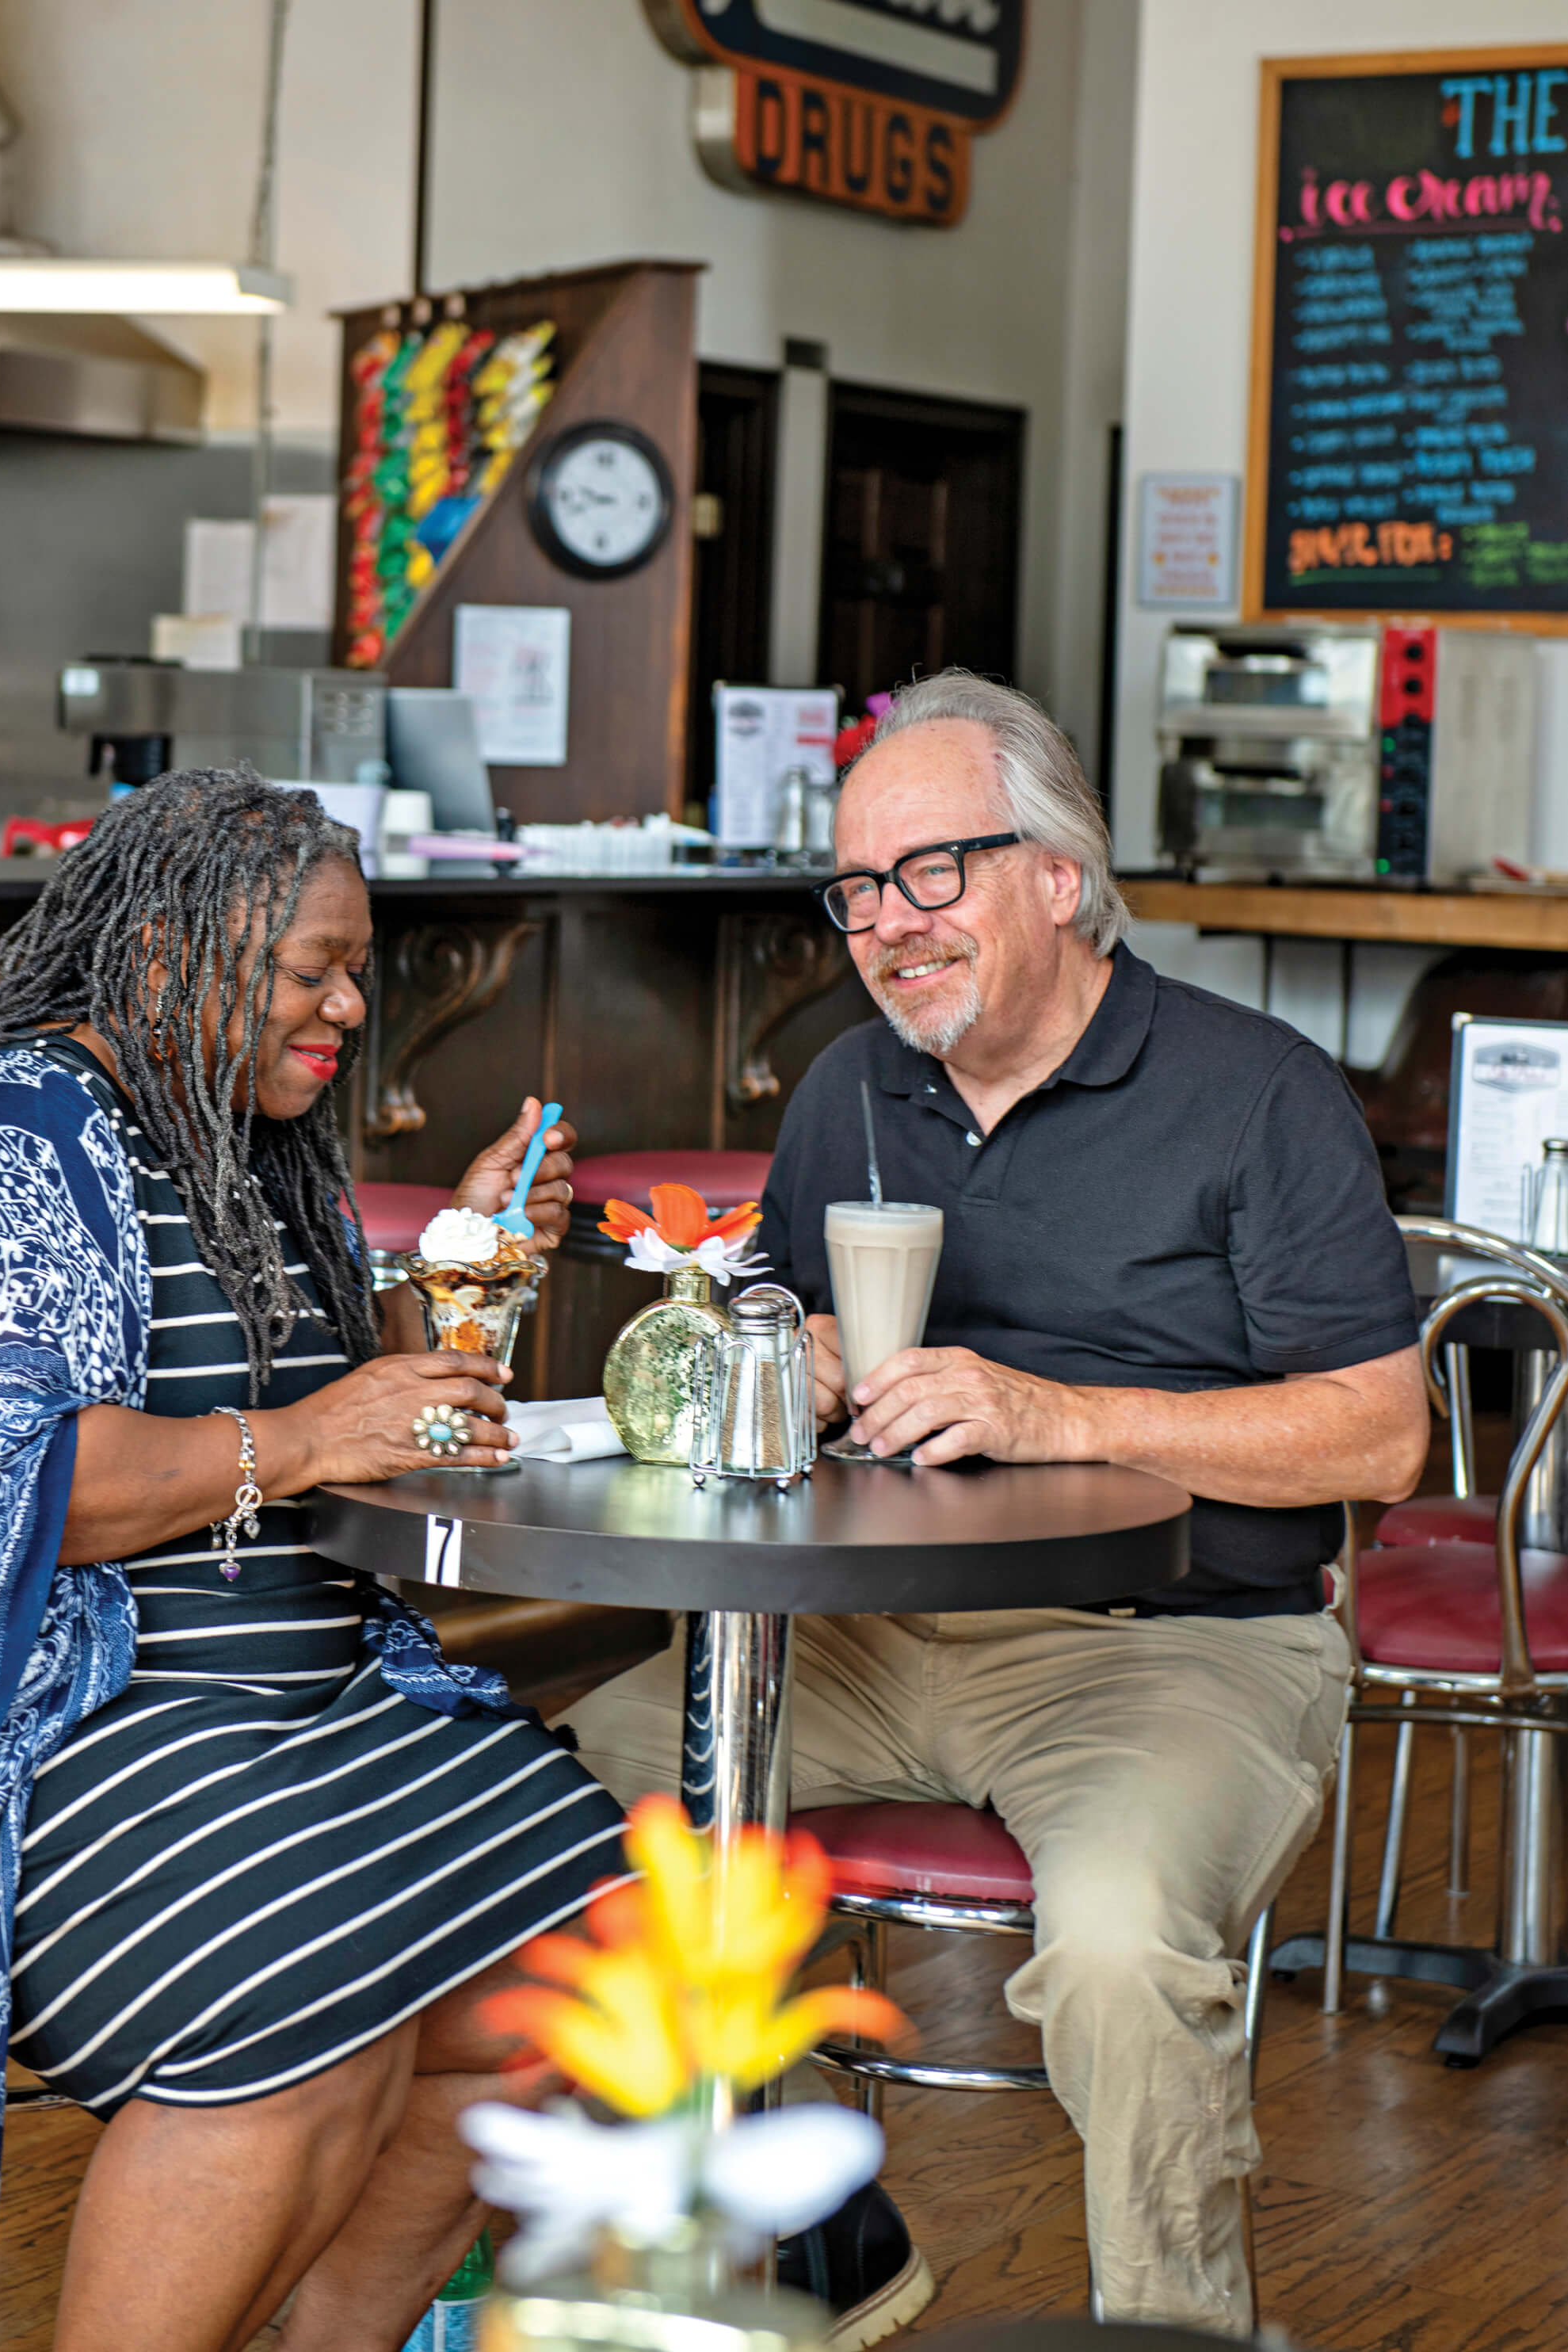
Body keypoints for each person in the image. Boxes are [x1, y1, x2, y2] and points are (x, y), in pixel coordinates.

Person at [0, 772, 628, 2352]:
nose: (347, 1004)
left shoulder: (256, 1142)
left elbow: (349, 1402)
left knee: (577, 1965)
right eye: (309, 966)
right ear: (171, 962)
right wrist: (313, 1436)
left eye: (357, 965)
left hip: (312, 1694)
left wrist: (462, 1266)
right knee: (301, 2008)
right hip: (46, 1726)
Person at [563, 671, 1429, 2336]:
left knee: (1111, 1945)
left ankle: (1175, 2325)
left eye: (931, 872)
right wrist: (789, 1358)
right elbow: (779, 1336)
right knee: (550, 1809)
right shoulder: (847, 1091)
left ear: (1055, 872)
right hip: (867, 1632)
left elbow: (1378, 1437)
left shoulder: (1256, 1091)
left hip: (1174, 1643)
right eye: (857, 890)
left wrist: (1055, 1412)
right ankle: (823, 2211)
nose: (888, 925)